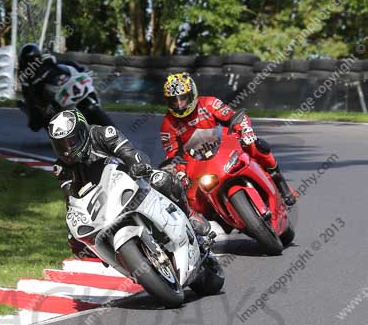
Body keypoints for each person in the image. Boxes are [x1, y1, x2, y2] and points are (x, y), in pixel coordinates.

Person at [48, 108, 211, 258]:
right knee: (75, 242)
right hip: (103, 204)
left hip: (131, 180)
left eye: (71, 142)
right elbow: (71, 200)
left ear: (83, 132)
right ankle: (121, 260)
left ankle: (189, 215)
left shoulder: (102, 134)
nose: (67, 150)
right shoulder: (62, 167)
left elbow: (128, 152)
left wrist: (136, 165)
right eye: (60, 145)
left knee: (163, 180)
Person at [160, 72, 298, 207]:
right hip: (197, 161)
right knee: (188, 196)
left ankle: (282, 186)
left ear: (191, 94)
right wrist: (179, 171)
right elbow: (173, 154)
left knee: (258, 146)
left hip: (223, 146)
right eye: (174, 101)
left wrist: (245, 131)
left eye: (182, 98)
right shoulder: (168, 124)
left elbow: (234, 117)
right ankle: (206, 225)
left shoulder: (209, 103)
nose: (179, 104)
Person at [18, 42, 85, 131]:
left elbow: (64, 63)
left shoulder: (47, 59)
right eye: (29, 61)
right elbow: (28, 93)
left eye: (34, 60)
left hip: (59, 84)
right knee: (35, 122)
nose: (32, 63)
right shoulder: (23, 74)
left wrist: (79, 68)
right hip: (44, 96)